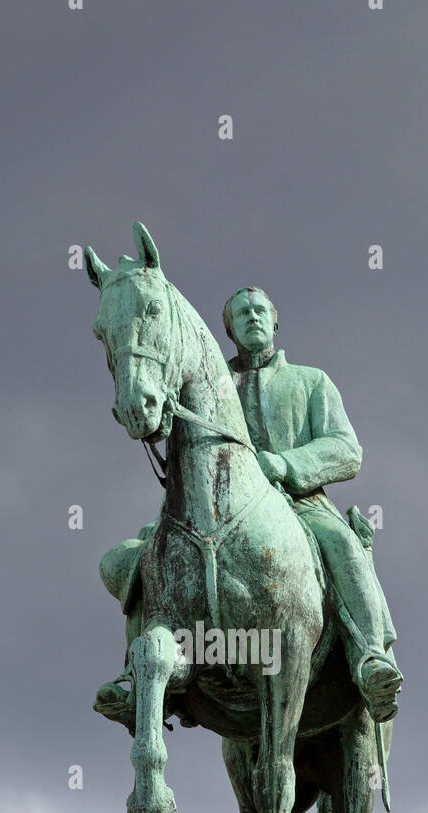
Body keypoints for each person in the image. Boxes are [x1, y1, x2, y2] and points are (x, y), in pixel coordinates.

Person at [95, 286, 402, 726]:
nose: (253, 317)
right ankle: (138, 679)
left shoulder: (311, 381)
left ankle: (370, 659)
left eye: (260, 310)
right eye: (242, 313)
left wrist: (286, 463)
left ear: (275, 320)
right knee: (147, 562)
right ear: (229, 328)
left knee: (343, 544)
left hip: (299, 504)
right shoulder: (211, 382)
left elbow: (346, 449)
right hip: (209, 516)